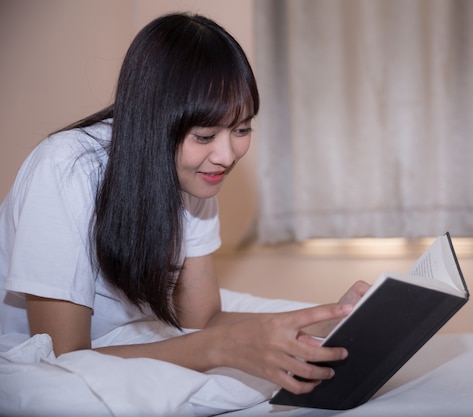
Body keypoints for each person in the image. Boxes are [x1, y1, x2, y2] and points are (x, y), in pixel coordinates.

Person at [0, 13, 369, 395]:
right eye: (206, 134)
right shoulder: (65, 167)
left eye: (242, 130)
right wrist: (221, 348)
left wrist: (329, 322)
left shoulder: (193, 174)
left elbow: (203, 318)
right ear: (151, 123)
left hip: (132, 333)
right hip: (43, 357)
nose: (227, 155)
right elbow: (63, 359)